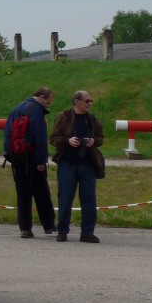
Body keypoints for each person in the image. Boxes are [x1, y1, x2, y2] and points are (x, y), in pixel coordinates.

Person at [50, 90, 105, 243]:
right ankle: (62, 231)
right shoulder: (64, 117)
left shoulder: (92, 119)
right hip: (68, 164)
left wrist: (93, 141)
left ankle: (87, 232)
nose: (90, 104)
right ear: (76, 102)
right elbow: (53, 138)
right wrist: (68, 141)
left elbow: (101, 138)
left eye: (90, 101)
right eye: (87, 101)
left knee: (89, 199)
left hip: (88, 165)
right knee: (65, 198)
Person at [3, 87, 56, 238]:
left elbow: (7, 131)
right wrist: (41, 161)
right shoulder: (37, 110)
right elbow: (40, 137)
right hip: (32, 158)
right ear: (41, 97)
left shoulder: (17, 108)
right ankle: (49, 226)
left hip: (17, 157)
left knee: (23, 194)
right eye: (48, 102)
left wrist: (9, 154)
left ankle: (25, 228)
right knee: (42, 193)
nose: (48, 106)